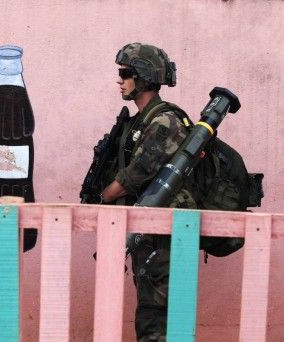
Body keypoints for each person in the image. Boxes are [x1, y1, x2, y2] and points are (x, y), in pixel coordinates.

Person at [100, 43, 197, 341]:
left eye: (126, 73)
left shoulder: (165, 120)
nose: (120, 80)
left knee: (156, 318)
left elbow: (137, 173)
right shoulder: (141, 121)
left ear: (143, 77)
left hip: (166, 234)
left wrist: (106, 195)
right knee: (150, 311)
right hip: (150, 232)